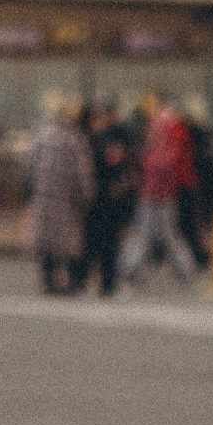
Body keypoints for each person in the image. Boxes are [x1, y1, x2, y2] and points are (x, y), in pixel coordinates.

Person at [119, 96, 202, 286]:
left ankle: (183, 269)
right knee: (151, 235)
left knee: (160, 236)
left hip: (160, 198)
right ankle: (130, 268)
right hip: (154, 197)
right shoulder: (159, 147)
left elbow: (161, 167)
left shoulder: (165, 149)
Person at [26, 93, 95, 294]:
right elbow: (83, 174)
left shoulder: (43, 135)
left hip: (44, 198)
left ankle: (48, 281)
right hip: (66, 201)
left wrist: (33, 190)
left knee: (47, 244)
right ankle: (71, 282)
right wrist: (86, 196)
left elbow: (30, 166)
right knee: (69, 244)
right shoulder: (75, 140)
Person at [85, 99, 137, 294]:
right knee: (99, 241)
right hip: (100, 198)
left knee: (109, 242)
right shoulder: (96, 139)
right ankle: (100, 280)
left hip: (110, 198)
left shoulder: (119, 136)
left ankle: (107, 282)